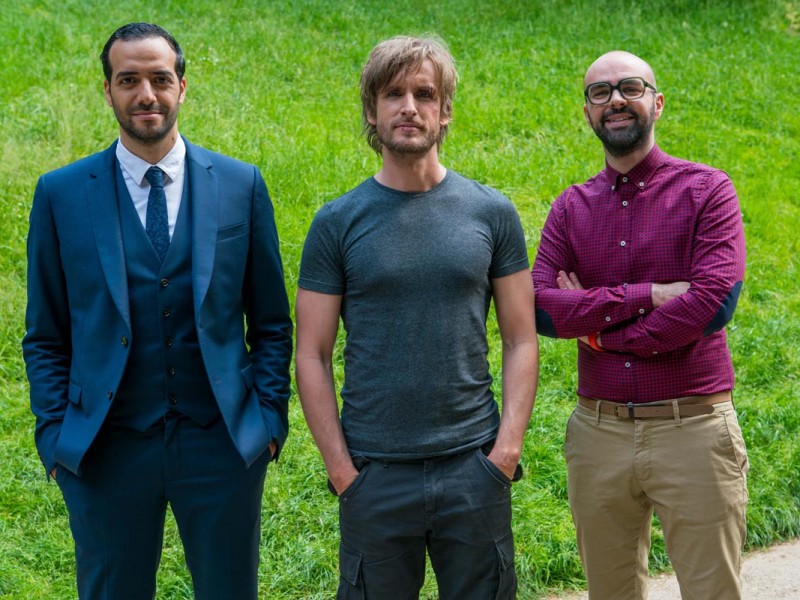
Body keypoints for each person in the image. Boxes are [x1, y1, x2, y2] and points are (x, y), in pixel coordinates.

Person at [22, 22, 292, 599]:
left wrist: (267, 421)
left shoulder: (241, 185)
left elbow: (271, 322)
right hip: (106, 447)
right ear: (107, 91)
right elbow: (45, 334)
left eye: (160, 79)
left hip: (223, 444)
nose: (146, 94)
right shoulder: (61, 194)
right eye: (128, 80)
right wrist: (55, 435)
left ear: (182, 88)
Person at [295, 35, 538, 599]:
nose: (409, 107)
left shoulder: (492, 213)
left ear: (445, 109)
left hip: (474, 466)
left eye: (424, 94)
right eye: (393, 94)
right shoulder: (337, 223)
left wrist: (505, 454)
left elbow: (521, 339)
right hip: (374, 474)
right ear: (372, 111)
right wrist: (342, 473)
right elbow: (311, 354)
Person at [532, 50, 748, 599]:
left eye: (630, 87)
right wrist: (647, 295)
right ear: (587, 111)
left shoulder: (708, 191)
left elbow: (712, 304)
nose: (615, 100)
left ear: (657, 102)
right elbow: (539, 309)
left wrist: (598, 331)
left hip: (693, 430)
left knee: (713, 593)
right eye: (600, 92)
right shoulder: (570, 209)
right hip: (598, 433)